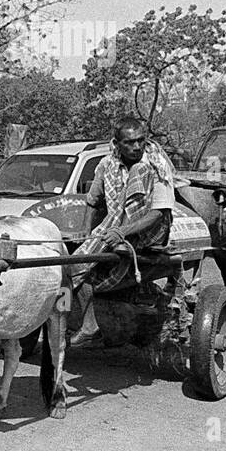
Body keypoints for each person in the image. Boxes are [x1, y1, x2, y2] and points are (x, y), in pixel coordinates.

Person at [69, 117, 178, 347]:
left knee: (139, 170)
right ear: (117, 143)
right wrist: (86, 235)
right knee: (77, 265)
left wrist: (121, 232)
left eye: (140, 141)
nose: (136, 147)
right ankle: (90, 326)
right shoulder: (107, 165)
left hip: (152, 230)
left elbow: (158, 214)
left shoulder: (156, 165)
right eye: (129, 142)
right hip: (115, 227)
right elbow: (93, 201)